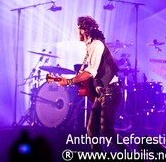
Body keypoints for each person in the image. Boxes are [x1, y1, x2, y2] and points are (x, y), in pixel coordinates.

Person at [55, 16, 131, 152]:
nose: (76, 32)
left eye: (77, 29)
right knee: (91, 129)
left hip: (111, 92)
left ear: (83, 30)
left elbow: (91, 72)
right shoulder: (90, 45)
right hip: (102, 93)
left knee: (107, 131)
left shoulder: (96, 45)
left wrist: (69, 81)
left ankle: (130, 155)